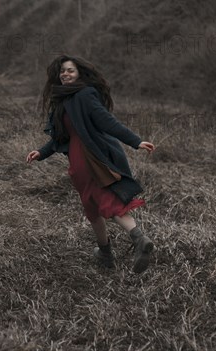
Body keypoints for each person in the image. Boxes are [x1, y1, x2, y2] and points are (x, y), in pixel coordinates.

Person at [26, 55, 156, 272]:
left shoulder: (84, 94)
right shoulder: (64, 100)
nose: (65, 74)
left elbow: (106, 121)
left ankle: (138, 240)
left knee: (102, 202)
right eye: (63, 71)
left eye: (71, 70)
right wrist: (41, 152)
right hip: (80, 161)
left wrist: (135, 141)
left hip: (90, 158)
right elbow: (62, 137)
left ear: (80, 74)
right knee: (93, 206)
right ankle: (106, 253)